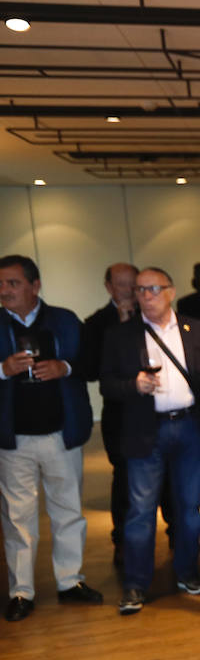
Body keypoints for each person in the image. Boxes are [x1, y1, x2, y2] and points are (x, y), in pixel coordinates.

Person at [100, 266, 200, 614]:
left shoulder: (195, 330)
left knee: (189, 509)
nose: (145, 296)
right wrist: (133, 384)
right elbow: (106, 385)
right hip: (144, 430)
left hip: (188, 428)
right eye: (139, 290)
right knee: (140, 513)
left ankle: (188, 572)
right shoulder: (121, 335)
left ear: (171, 291)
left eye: (152, 289)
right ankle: (136, 584)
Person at [0, 254, 100, 622]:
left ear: (34, 286)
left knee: (68, 512)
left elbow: (90, 364)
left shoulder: (65, 319)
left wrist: (65, 367)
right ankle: (22, 592)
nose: (4, 290)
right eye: (0, 284)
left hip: (61, 434)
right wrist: (1, 369)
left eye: (12, 283)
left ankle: (70, 582)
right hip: (13, 439)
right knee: (17, 519)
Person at [80, 262, 142, 570]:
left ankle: (176, 538)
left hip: (153, 410)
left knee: (167, 478)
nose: (129, 291)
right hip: (118, 413)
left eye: (134, 284)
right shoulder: (95, 323)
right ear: (108, 287)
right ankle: (122, 542)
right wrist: (119, 330)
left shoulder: (153, 316)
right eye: (121, 285)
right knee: (124, 478)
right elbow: (90, 370)